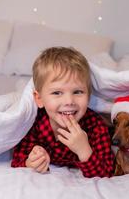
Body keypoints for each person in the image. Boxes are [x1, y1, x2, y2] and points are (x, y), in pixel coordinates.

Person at [11, 47, 114, 178]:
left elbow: (106, 172)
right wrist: (30, 162)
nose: (69, 101)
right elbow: (17, 160)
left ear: (88, 96)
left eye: (77, 92)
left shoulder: (95, 127)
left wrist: (84, 150)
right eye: (57, 93)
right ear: (39, 99)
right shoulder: (33, 123)